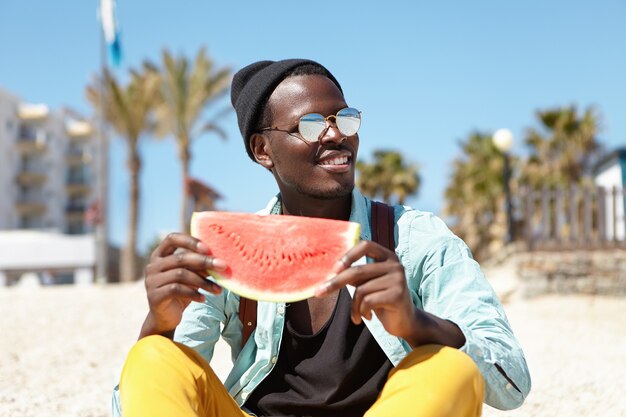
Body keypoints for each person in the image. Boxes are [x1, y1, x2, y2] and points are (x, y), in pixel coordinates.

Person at [112, 59, 531, 417]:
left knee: (448, 368)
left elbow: (511, 383)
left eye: (344, 118)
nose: (336, 135)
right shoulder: (226, 251)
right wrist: (160, 324)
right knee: (151, 356)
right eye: (310, 125)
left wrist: (418, 324)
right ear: (263, 149)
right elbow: (154, 395)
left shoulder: (415, 237)